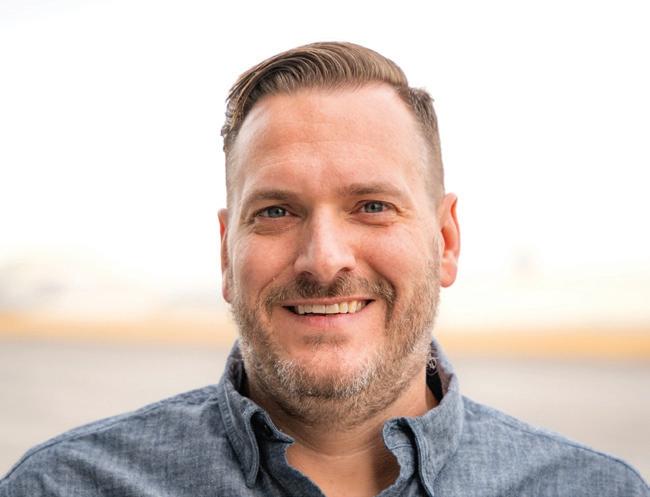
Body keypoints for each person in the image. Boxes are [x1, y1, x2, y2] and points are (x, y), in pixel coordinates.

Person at [1, 41, 647, 497]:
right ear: (226, 253)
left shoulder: (593, 489)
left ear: (446, 240)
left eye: (372, 206)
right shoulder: (64, 487)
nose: (324, 258)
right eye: (276, 211)